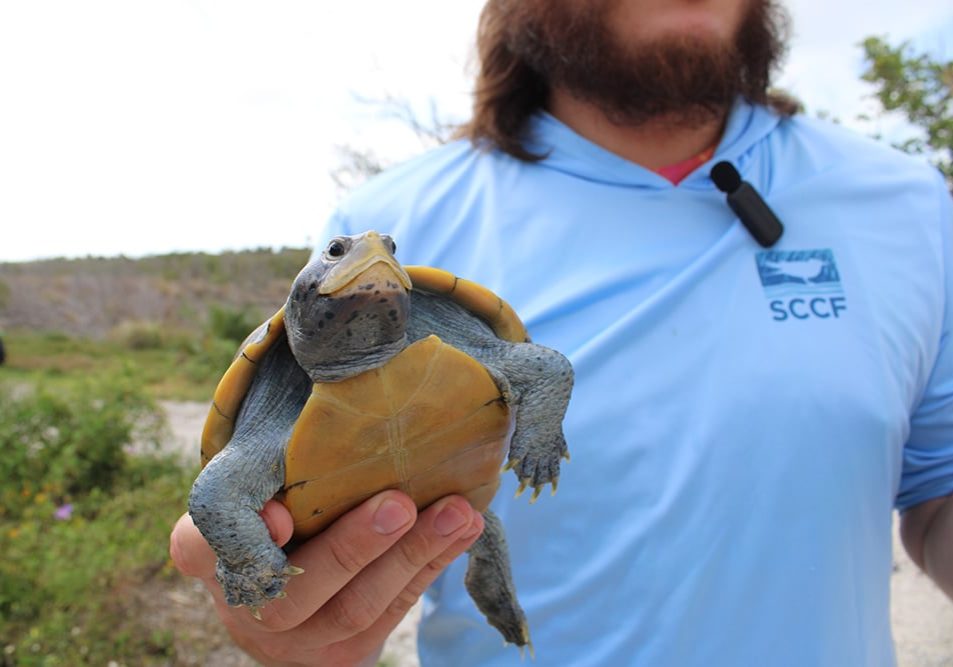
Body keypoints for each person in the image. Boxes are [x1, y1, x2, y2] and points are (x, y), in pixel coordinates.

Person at [170, 0, 953, 664]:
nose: (369, 263)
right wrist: (273, 601)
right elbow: (246, 507)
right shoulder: (401, 216)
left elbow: (936, 489)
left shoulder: (909, 205)